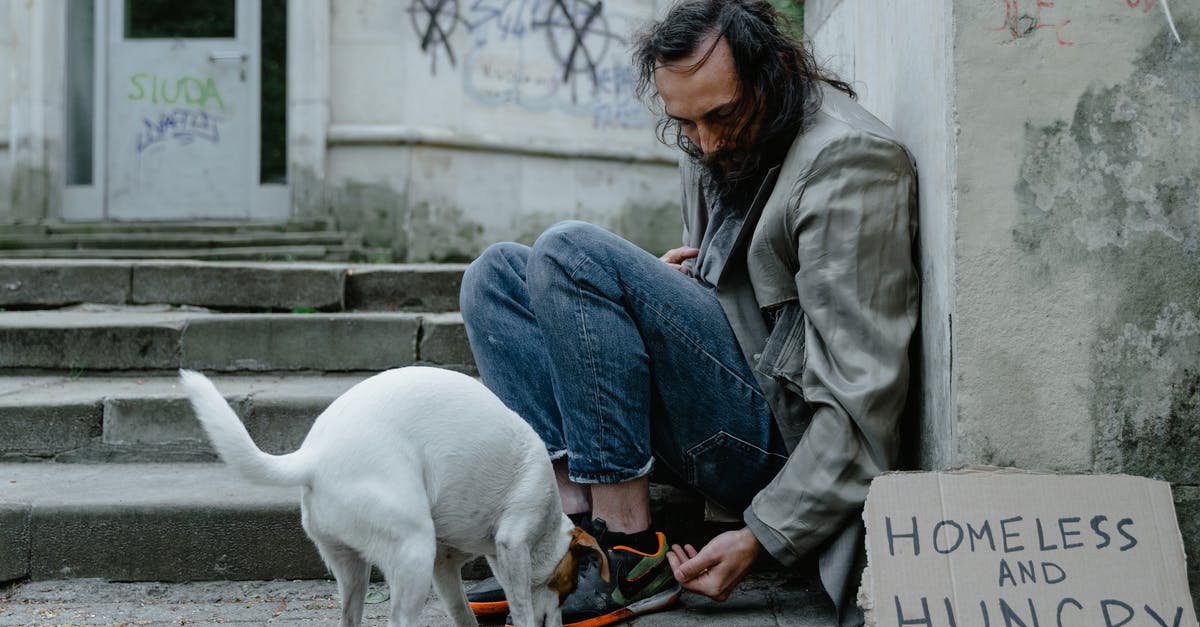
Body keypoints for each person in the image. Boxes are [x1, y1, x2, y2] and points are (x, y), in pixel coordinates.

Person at [459, 1, 919, 625]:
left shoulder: (849, 161)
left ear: (775, 73)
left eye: (722, 116)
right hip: (725, 394)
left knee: (572, 252)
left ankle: (628, 552)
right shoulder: (712, 139)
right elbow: (732, 294)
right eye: (687, 124)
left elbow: (864, 405)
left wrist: (762, 535)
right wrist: (673, 288)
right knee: (497, 275)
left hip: (783, 445)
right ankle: (559, 540)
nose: (706, 142)